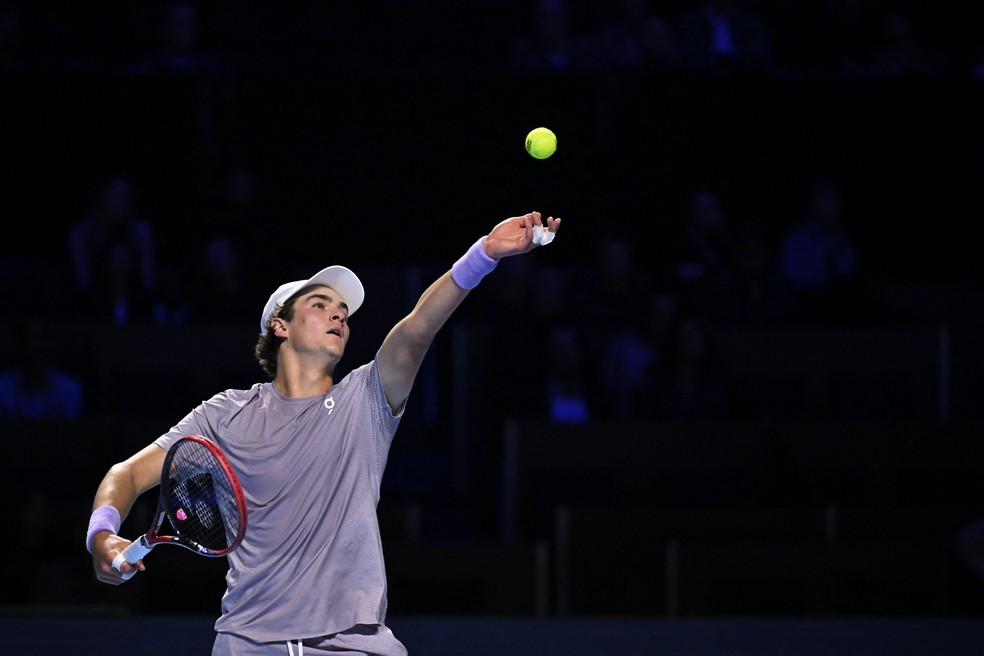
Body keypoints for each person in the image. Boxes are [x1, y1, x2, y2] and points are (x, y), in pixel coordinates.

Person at [86, 211, 561, 655]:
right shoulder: (225, 414)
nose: (339, 316)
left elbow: (417, 329)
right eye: (320, 305)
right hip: (252, 641)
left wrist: (483, 254)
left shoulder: (365, 399)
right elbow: (126, 475)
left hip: (355, 642)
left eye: (343, 312)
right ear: (280, 326)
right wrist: (102, 536)